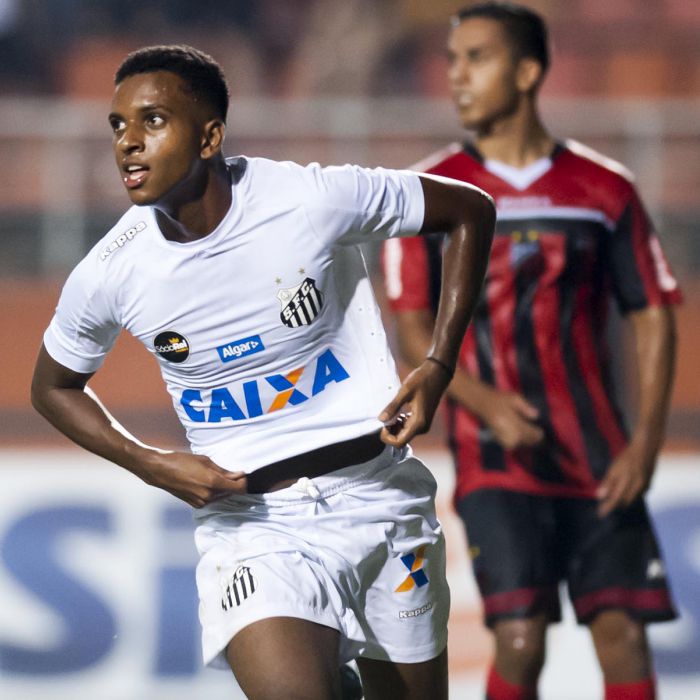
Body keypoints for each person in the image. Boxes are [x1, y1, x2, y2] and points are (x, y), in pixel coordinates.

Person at [30, 45, 495, 700]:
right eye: (117, 126)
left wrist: (439, 364)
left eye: (153, 121)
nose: (128, 144)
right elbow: (52, 388)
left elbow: (469, 210)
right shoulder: (112, 271)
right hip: (255, 526)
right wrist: (151, 463)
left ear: (210, 136)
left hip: (382, 494)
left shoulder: (311, 199)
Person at [382, 4, 681, 700]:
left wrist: (645, 445)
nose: (456, 76)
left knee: (623, 636)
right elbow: (411, 329)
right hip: (494, 455)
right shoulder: (429, 194)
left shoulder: (604, 190)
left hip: (600, 453)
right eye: (451, 60)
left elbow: (655, 314)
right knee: (520, 638)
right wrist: (484, 401)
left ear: (528, 71)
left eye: (476, 58)